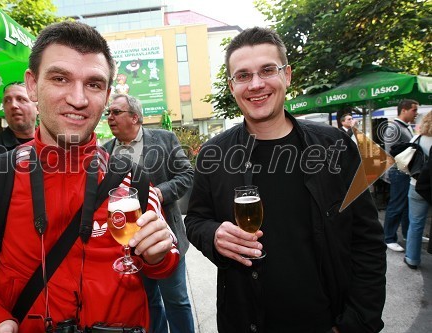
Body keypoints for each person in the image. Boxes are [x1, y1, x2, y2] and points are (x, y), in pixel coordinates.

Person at [0, 21, 178, 333]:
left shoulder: (136, 181)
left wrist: (160, 254)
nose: (77, 98)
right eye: (60, 78)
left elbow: (163, 262)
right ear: (32, 85)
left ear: (106, 96)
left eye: (93, 84)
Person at [184, 27, 386, 333]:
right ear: (232, 85)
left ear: (287, 75)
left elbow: (367, 242)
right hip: (245, 320)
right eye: (243, 75)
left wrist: (356, 323)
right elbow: (196, 220)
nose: (256, 84)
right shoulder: (214, 153)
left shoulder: (336, 146)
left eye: (267, 70)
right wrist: (212, 235)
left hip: (325, 320)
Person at [104, 94, 195, 333]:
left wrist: (155, 195)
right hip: (129, 244)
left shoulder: (164, 139)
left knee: (176, 302)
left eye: (116, 112)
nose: (109, 118)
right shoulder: (104, 152)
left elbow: (187, 176)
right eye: (108, 113)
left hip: (166, 240)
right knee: (149, 303)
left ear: (135, 117)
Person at [383, 99, 419, 252]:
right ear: (404, 110)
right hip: (398, 171)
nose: (416, 113)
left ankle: (406, 233)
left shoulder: (405, 127)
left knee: (405, 205)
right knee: (396, 205)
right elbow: (392, 151)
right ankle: (389, 238)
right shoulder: (394, 127)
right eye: (414, 110)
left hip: (405, 171)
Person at [405, 111, 432, 269]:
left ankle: (412, 259)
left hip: (417, 185)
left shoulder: (417, 139)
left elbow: (406, 162)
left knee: (415, 224)